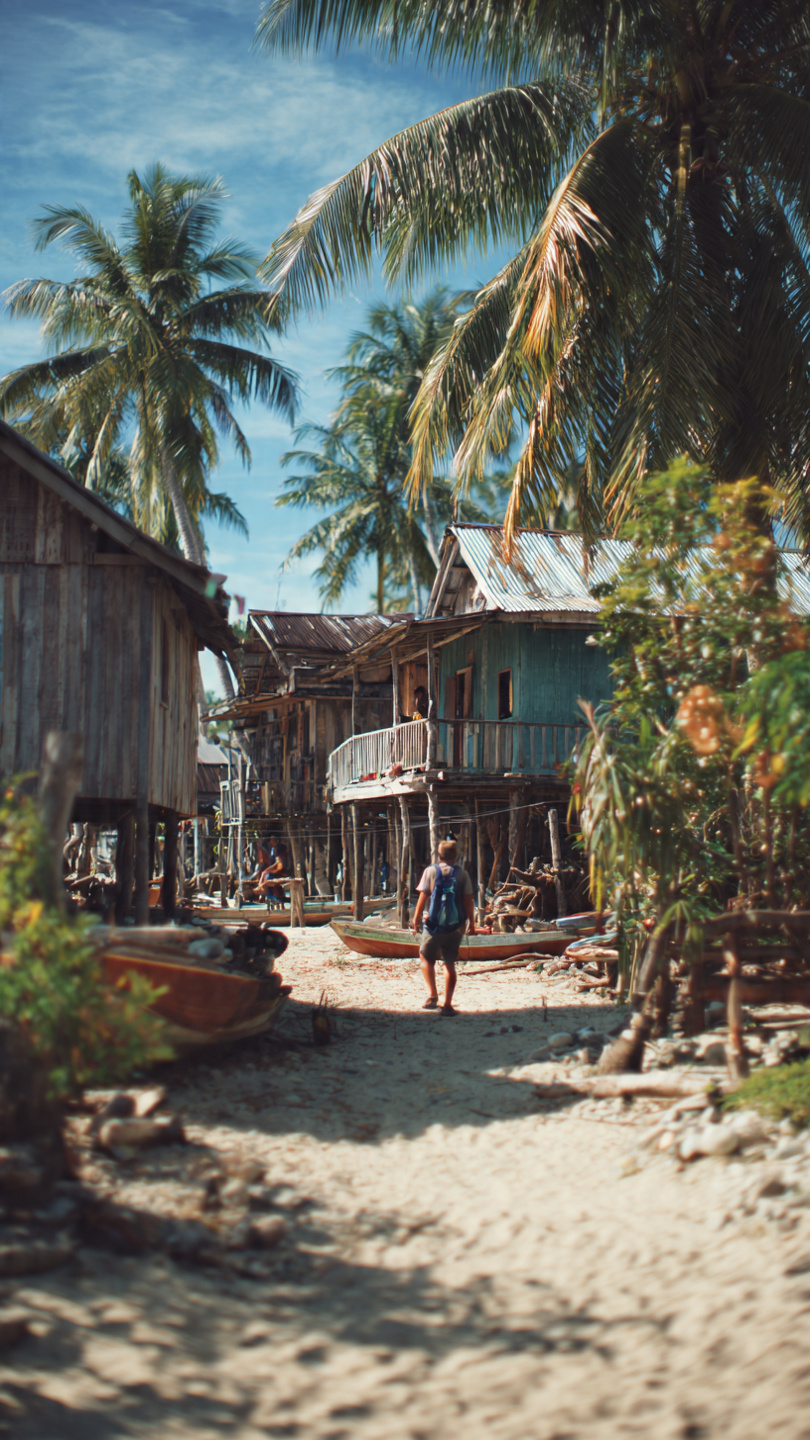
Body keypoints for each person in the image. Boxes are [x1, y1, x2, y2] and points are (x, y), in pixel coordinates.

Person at [412, 838, 475, 1014]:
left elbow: (423, 896)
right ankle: (447, 1004)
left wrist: (416, 918)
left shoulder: (430, 871)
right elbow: (468, 900)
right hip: (456, 927)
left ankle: (432, 996)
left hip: (433, 926)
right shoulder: (462, 874)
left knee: (425, 957)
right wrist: (472, 924)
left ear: (439, 854)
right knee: (449, 964)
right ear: (456, 856)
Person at [256, 835, 290, 906]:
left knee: (266, 876)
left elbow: (279, 864)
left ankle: (264, 893)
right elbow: (274, 863)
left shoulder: (279, 849)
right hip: (275, 869)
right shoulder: (272, 849)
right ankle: (263, 894)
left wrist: (269, 870)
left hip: (280, 870)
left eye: (273, 840)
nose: (271, 842)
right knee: (264, 874)